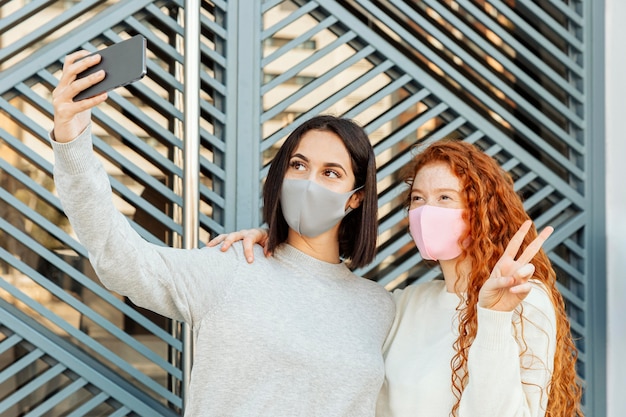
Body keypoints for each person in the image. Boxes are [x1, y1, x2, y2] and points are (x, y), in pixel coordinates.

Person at [50, 50, 395, 417]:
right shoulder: (233, 266)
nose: (310, 181)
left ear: (356, 199)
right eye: (299, 165)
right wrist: (72, 139)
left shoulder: (381, 307)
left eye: (331, 173)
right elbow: (122, 260)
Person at [209, 139, 583, 417]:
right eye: (417, 199)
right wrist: (275, 248)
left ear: (482, 213)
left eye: (444, 198)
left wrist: (495, 318)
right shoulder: (407, 302)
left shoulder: (523, 299)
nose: (424, 211)